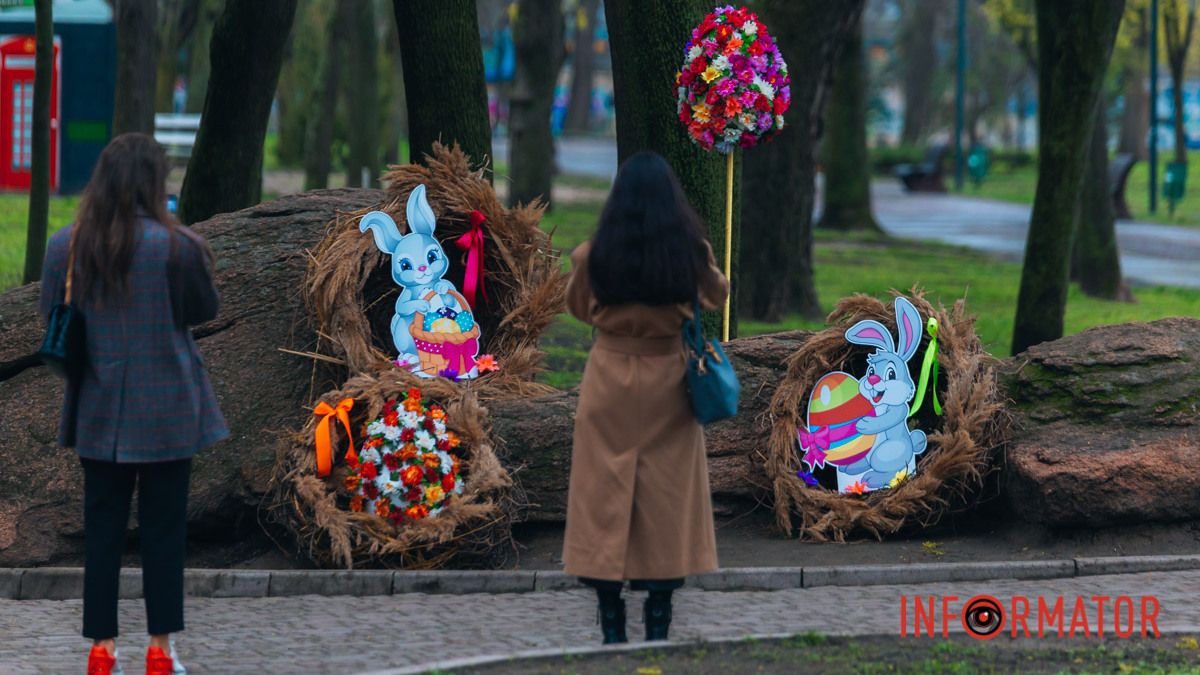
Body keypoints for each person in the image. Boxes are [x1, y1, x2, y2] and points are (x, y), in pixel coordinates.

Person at [39, 133, 228, 675]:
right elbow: (202, 310)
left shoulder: (65, 247)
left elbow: (51, 313)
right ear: (152, 183)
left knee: (101, 532)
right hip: (168, 408)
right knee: (165, 532)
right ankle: (161, 652)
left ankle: (100, 652)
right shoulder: (178, 246)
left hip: (97, 409)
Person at [562, 151, 729, 644]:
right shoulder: (688, 252)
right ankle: (659, 615)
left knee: (602, 491)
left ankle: (610, 617)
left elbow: (577, 308)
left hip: (609, 378)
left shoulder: (595, 254)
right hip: (669, 381)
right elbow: (716, 295)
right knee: (667, 495)